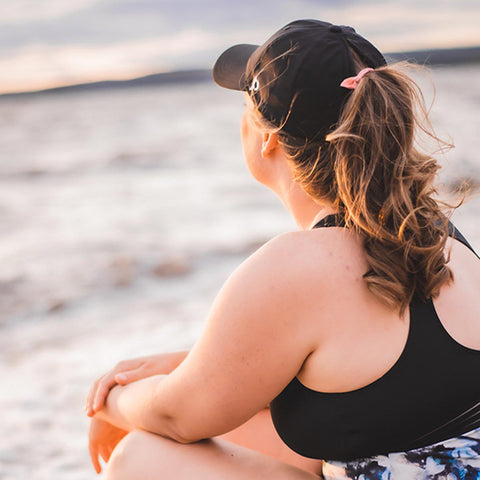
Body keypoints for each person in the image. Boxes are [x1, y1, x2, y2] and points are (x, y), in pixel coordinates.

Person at [85, 19, 480, 479]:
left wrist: (112, 402)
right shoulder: (437, 232)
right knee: (259, 415)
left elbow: (176, 416)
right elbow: (380, 365)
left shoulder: (297, 265)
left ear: (268, 137)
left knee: (143, 454)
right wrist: (184, 363)